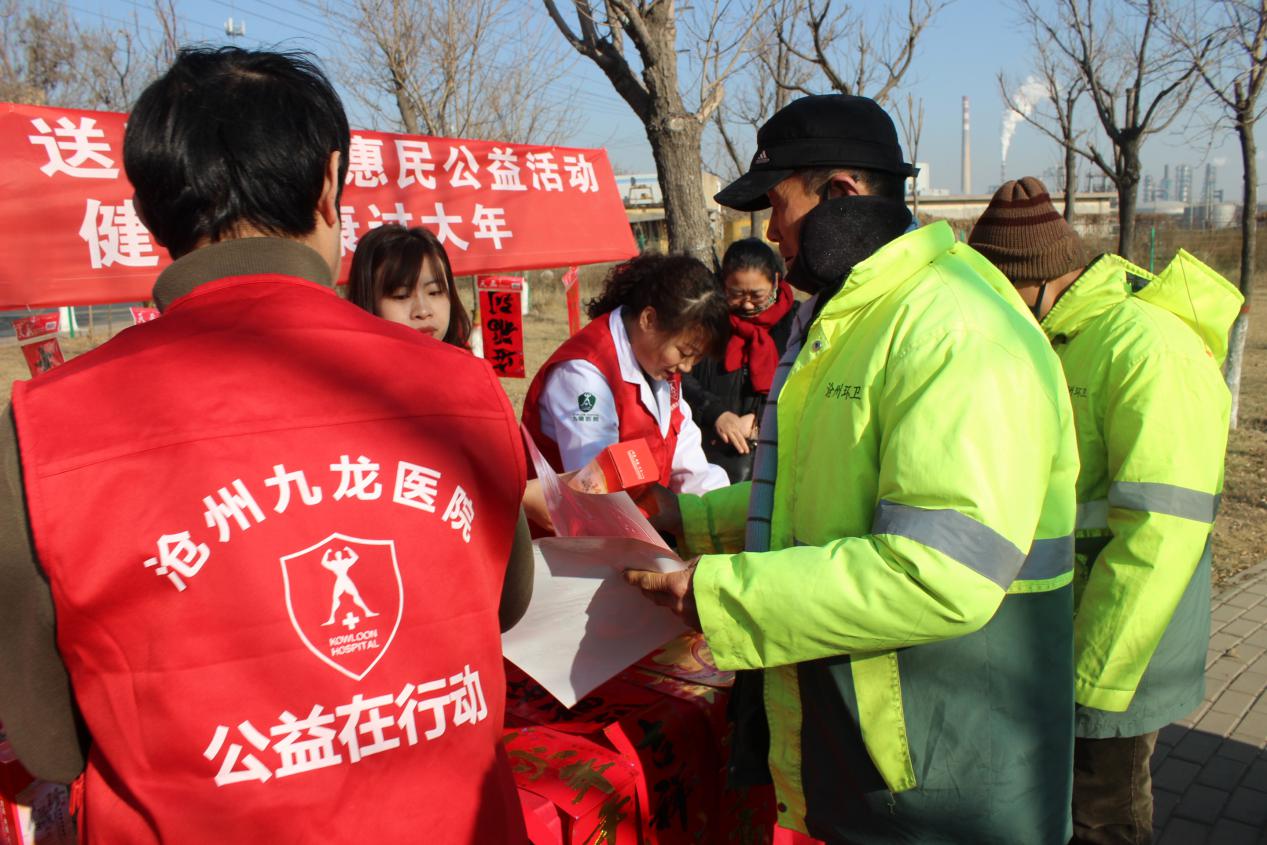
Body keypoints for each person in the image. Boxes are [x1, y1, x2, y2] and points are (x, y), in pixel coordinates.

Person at [0, 47, 531, 844]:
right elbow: (507, 603)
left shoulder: (40, 430)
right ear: (329, 184)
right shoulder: (460, 386)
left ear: (148, 218)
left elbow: (47, 740)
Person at [624, 94, 1081, 844]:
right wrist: (692, 521)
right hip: (872, 746)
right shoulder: (851, 315)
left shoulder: (953, 328)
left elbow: (938, 568)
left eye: (777, 205)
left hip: (950, 773)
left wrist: (718, 591)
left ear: (841, 193)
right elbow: (823, 491)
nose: (771, 234)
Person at [969, 177, 1240, 845]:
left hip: (1111, 658)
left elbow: (1161, 530)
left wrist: (1090, 681)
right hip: (1054, 644)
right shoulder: (1059, 338)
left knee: (1101, 816)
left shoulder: (1145, 346)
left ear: (1031, 280)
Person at [521, 253, 731, 499]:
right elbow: (596, 488)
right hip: (574, 532)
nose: (686, 368)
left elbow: (684, 448)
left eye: (696, 357)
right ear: (648, 319)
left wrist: (710, 511)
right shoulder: (583, 374)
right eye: (685, 352)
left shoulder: (659, 364)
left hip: (639, 524)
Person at [681, 238, 795, 482]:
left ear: (775, 281)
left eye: (757, 295)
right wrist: (716, 413)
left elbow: (804, 382)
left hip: (779, 454)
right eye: (736, 294)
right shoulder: (709, 322)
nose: (746, 303)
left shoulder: (797, 322)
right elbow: (680, 374)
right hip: (709, 456)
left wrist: (761, 419)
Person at [346, 223, 472, 348]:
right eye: (401, 296)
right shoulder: (345, 367)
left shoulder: (473, 366)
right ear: (367, 300)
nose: (423, 311)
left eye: (435, 292)